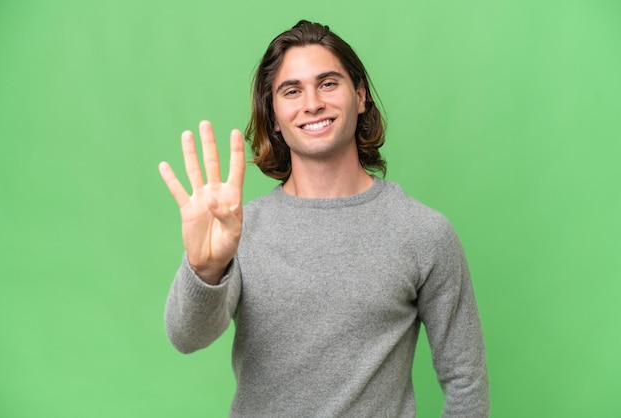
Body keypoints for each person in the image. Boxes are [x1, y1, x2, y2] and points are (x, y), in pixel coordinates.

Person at [159, 20, 489, 418]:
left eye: (328, 83)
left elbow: (467, 383)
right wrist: (206, 269)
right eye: (292, 91)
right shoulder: (237, 230)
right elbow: (186, 338)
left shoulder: (423, 232)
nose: (311, 103)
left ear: (361, 96)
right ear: (275, 117)